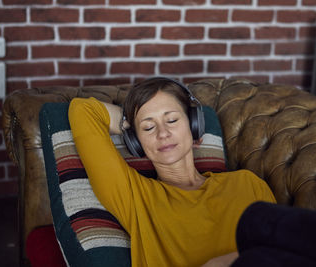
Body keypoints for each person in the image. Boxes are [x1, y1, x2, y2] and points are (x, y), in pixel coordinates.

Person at [68, 77, 277, 266]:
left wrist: (224, 263)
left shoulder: (247, 184)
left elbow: (283, 251)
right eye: (149, 128)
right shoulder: (135, 196)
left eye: (172, 120)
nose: (163, 133)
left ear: (194, 126)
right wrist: (131, 124)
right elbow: (82, 110)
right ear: (136, 143)